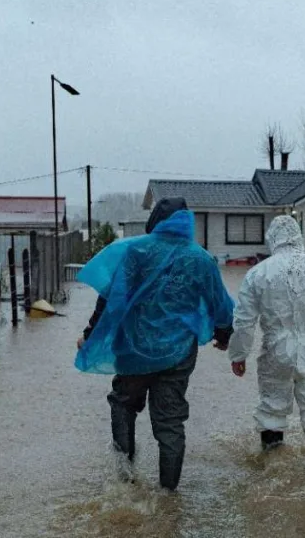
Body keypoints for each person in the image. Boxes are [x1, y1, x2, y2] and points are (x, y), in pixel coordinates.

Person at [75, 197, 234, 491]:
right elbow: (221, 306)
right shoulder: (201, 259)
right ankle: (168, 496)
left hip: (133, 349)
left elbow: (111, 299)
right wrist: (224, 336)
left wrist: (90, 333)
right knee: (170, 421)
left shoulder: (135, 251)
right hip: (178, 354)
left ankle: (125, 481)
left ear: (156, 220)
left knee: (123, 405)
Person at [226, 215, 305, 476]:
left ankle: (272, 472)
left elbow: (244, 321)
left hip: (275, 350)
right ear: (298, 237)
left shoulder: (258, 273)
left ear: (272, 239)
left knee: (272, 408)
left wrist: (238, 355)